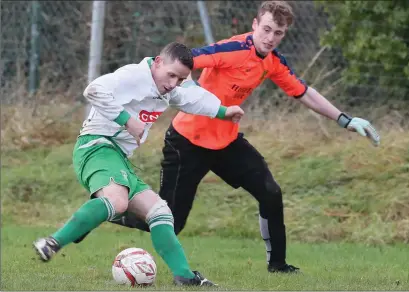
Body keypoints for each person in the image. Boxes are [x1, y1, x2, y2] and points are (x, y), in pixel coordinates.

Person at [76, 0, 380, 274]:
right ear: (255, 25)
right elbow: (188, 62)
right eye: (267, 29)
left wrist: (345, 119)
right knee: (172, 222)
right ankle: (108, 210)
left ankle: (278, 266)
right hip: (187, 143)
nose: (271, 37)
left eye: (279, 33)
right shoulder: (232, 49)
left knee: (271, 193)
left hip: (227, 143)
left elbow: (303, 92)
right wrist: (192, 92)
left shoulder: (273, 61)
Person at [32, 42, 245, 286]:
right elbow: (94, 90)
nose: (174, 83)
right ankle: (51, 243)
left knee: (160, 212)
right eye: (171, 75)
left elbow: (192, 97)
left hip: (118, 157)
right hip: (96, 146)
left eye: (180, 78)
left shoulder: (168, 88)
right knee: (118, 201)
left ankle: (185, 277)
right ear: (157, 63)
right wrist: (127, 121)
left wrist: (223, 111)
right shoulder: (134, 76)